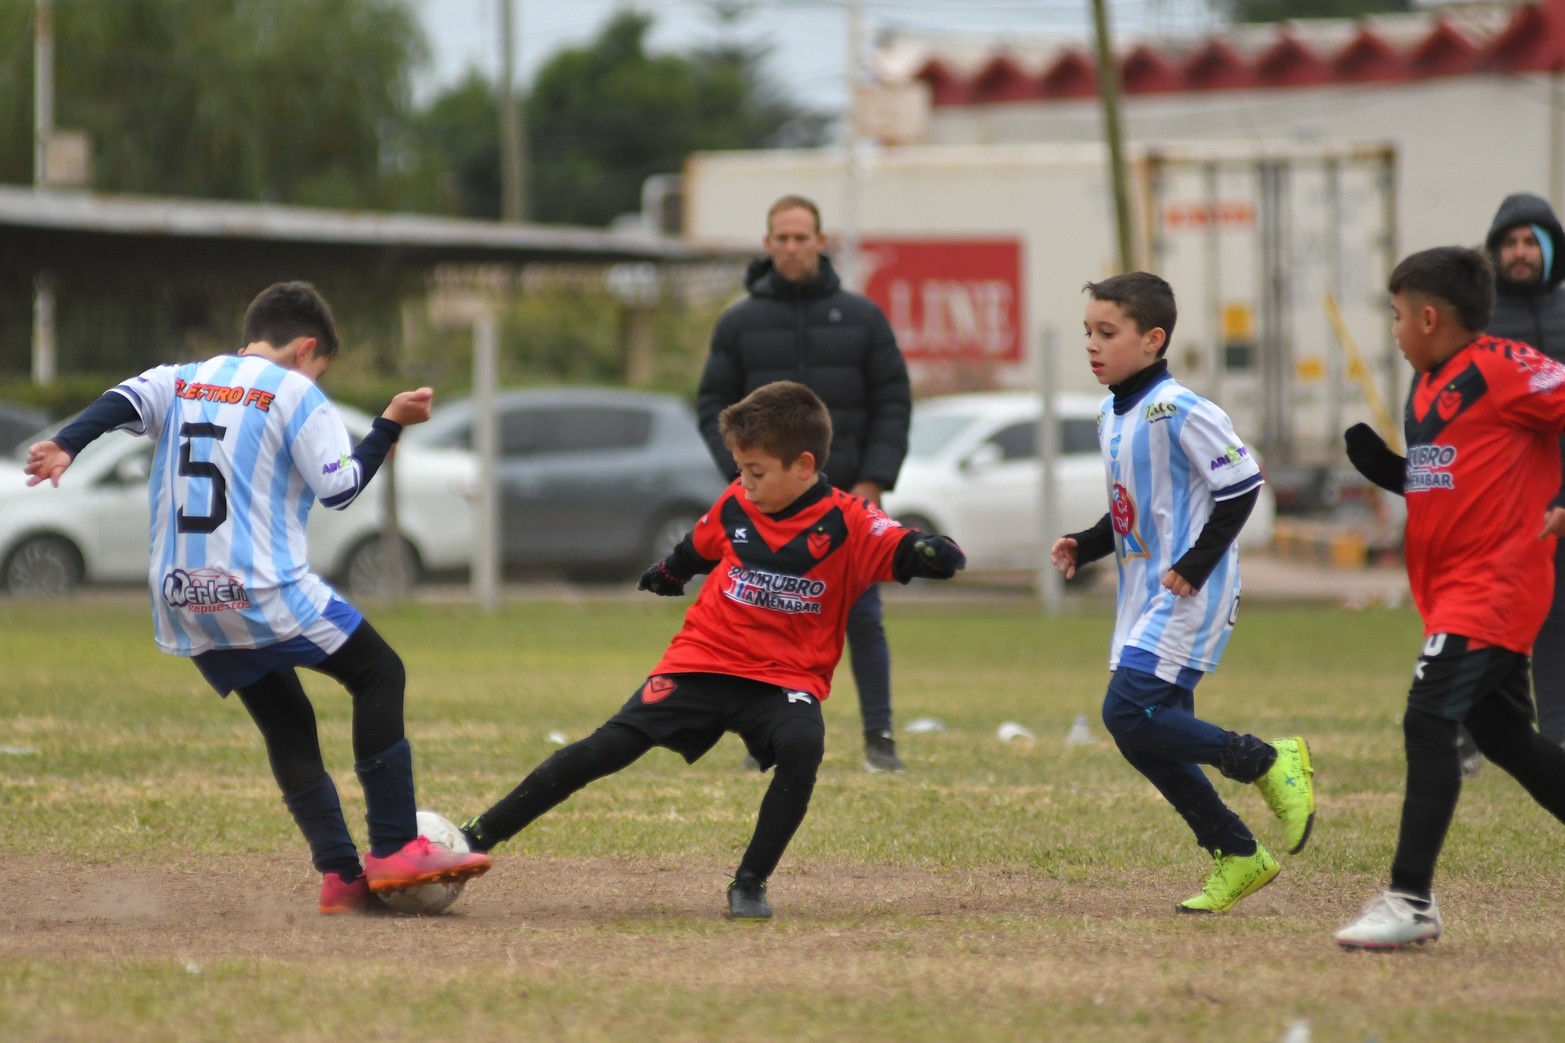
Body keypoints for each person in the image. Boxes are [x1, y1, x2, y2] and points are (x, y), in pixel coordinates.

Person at [23, 281, 492, 915]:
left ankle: (341, 879)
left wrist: (67, 443)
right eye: (320, 366)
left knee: (287, 720)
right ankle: (392, 849)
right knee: (380, 672)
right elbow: (340, 489)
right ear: (307, 350)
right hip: (262, 589)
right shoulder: (295, 391)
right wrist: (388, 426)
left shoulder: (184, 378)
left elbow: (118, 401)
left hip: (182, 595)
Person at [458, 381, 964, 920]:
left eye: (756, 471)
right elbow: (694, 549)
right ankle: (477, 836)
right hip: (703, 660)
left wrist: (930, 552)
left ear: (803, 465)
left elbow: (918, 551)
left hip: (784, 678)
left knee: (801, 746)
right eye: (739, 469)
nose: (743, 483)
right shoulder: (735, 504)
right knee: (605, 748)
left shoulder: (851, 522)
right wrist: (667, 574)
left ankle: (750, 882)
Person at [1049, 271, 1315, 916]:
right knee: (1146, 736)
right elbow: (1132, 509)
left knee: (1125, 713)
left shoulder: (1181, 407)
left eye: (1107, 332)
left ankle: (1264, 758)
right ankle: (1238, 853)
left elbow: (1243, 485)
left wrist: (1195, 564)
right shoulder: (1112, 412)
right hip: (1145, 595)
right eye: (1088, 331)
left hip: (1193, 588)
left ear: (1152, 339)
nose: (1092, 344)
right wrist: (1087, 544)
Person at [1334, 246, 1565, 950]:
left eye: (1398, 316)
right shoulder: (1429, 382)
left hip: (1494, 586)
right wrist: (1394, 473)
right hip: (1453, 591)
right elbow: (1461, 477)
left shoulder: (1503, 366)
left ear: (1430, 316)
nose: (1394, 330)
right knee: (1506, 741)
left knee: (1427, 718)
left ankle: (1410, 898)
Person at [696, 194, 913, 773]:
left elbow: (893, 402)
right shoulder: (739, 322)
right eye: (782, 238)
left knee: (863, 618)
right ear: (768, 245)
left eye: (802, 237)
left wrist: (874, 479)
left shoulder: (862, 317)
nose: (792, 247)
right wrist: (744, 477)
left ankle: (880, 740)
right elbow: (711, 403)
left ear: (821, 241)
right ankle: (758, 741)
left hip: (845, 503)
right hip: (767, 509)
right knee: (760, 620)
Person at [1485, 192, 1565, 746]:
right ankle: (1474, 727)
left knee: (1560, 613)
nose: (1519, 253)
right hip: (1505, 491)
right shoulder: (1483, 315)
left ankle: (1557, 732)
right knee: (1496, 613)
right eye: (1509, 243)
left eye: (1529, 242)